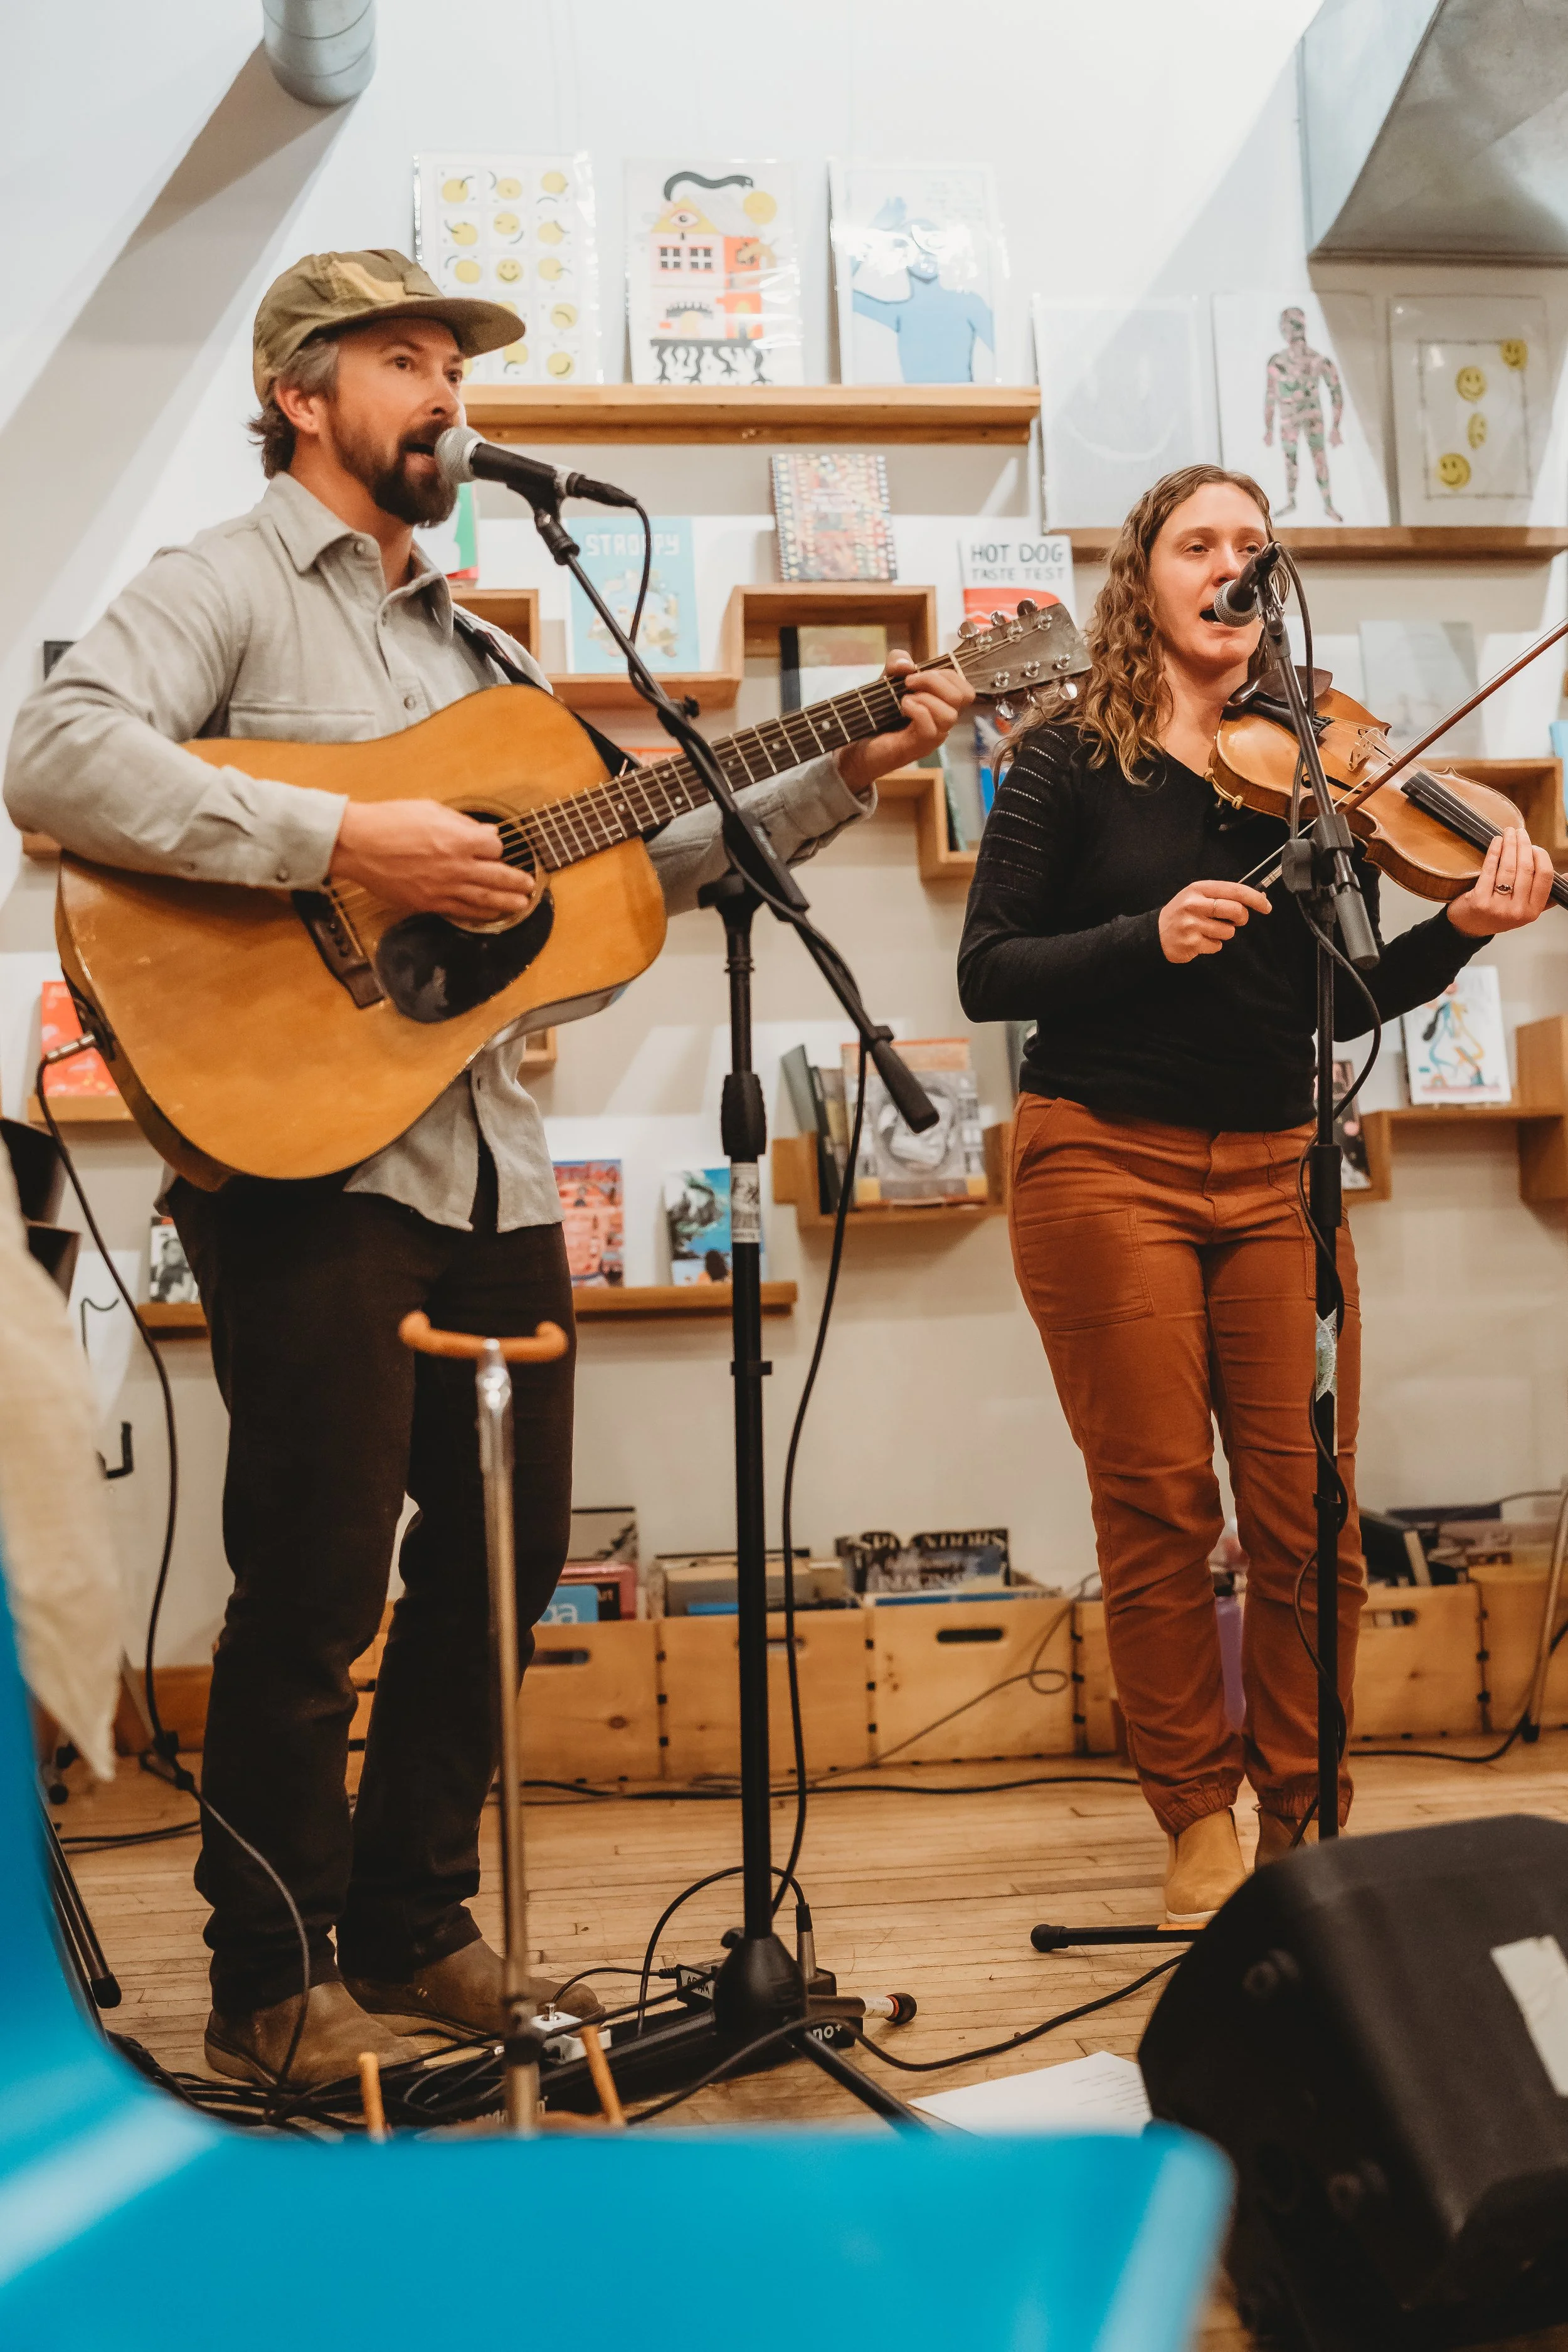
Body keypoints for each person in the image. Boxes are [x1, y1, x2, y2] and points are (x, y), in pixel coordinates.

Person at [5, 249, 970, 2084]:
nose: (446, 386)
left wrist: (853, 761)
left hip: (488, 1175)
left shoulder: (493, 649)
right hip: (297, 1160)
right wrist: (346, 833)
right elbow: (52, 754)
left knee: (502, 1558)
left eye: (453, 358)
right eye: (404, 355)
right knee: (315, 1575)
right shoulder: (220, 585)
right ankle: (271, 1972)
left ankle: (417, 1920)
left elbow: (627, 864)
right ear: (303, 390)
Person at [957, 463, 1551, 1924]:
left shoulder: (1316, 767)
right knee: (1162, 1504)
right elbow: (989, 971)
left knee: (1308, 1510)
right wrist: (1142, 936)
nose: (1230, 562)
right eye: (1197, 541)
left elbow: (1342, 1004)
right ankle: (1193, 1813)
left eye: (1251, 545)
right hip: (1103, 1155)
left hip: (1280, 1162)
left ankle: (1304, 1806)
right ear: (1144, 579)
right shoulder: (1064, 758)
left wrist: (1464, 932)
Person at [1264, 307, 1344, 521]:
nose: (1289, 330)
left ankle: (1327, 504)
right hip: (1291, 420)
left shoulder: (1319, 361)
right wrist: (1268, 428)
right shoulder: (1278, 362)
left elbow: (1336, 393)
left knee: (1318, 459)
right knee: (1292, 460)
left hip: (1311, 418)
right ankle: (1292, 500)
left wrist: (1336, 427)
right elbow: (1271, 396)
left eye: (1291, 325)